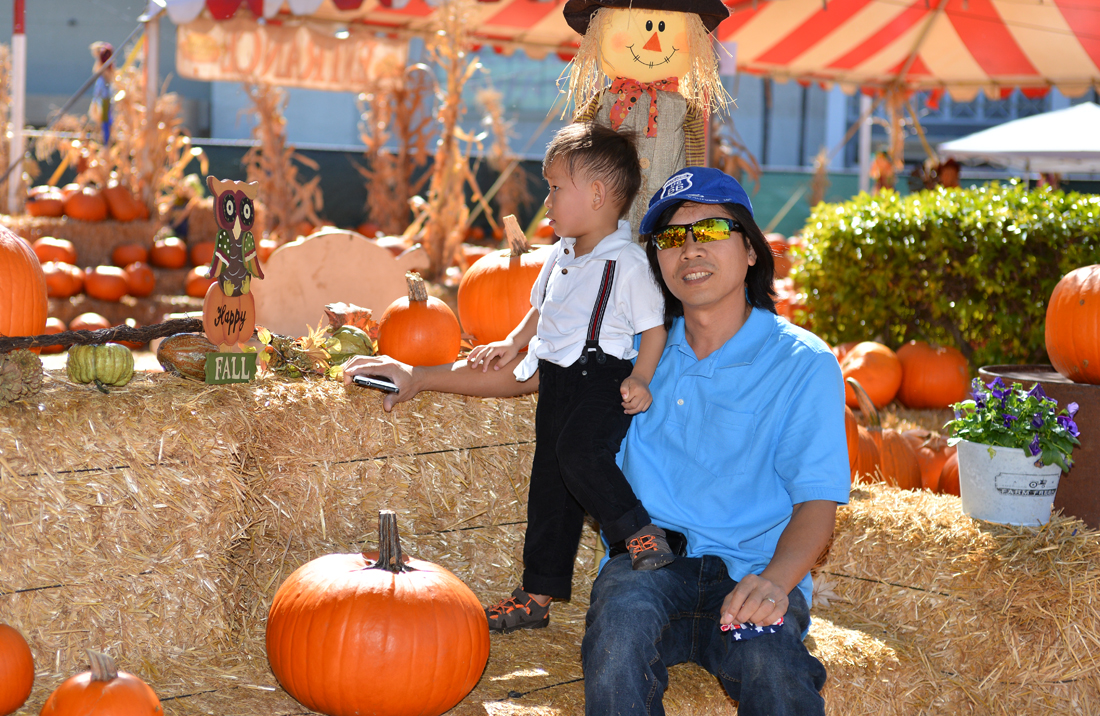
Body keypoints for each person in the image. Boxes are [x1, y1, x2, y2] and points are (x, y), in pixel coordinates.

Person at [344, 167, 850, 715]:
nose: (690, 250)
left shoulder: (803, 363)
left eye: (710, 230)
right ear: (655, 260)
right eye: (671, 238)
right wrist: (419, 374)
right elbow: (536, 376)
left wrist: (775, 583)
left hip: (752, 569)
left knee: (774, 671)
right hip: (651, 564)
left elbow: (816, 504)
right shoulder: (637, 343)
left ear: (751, 249)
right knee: (617, 641)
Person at [466, 121, 673, 633]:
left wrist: (642, 378)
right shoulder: (560, 254)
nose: (548, 199)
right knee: (549, 490)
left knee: (581, 453)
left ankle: (639, 531)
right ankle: (536, 595)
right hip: (557, 381)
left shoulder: (626, 262)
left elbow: (654, 330)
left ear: (598, 194)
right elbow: (539, 310)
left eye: (556, 188)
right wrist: (512, 343)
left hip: (601, 378)